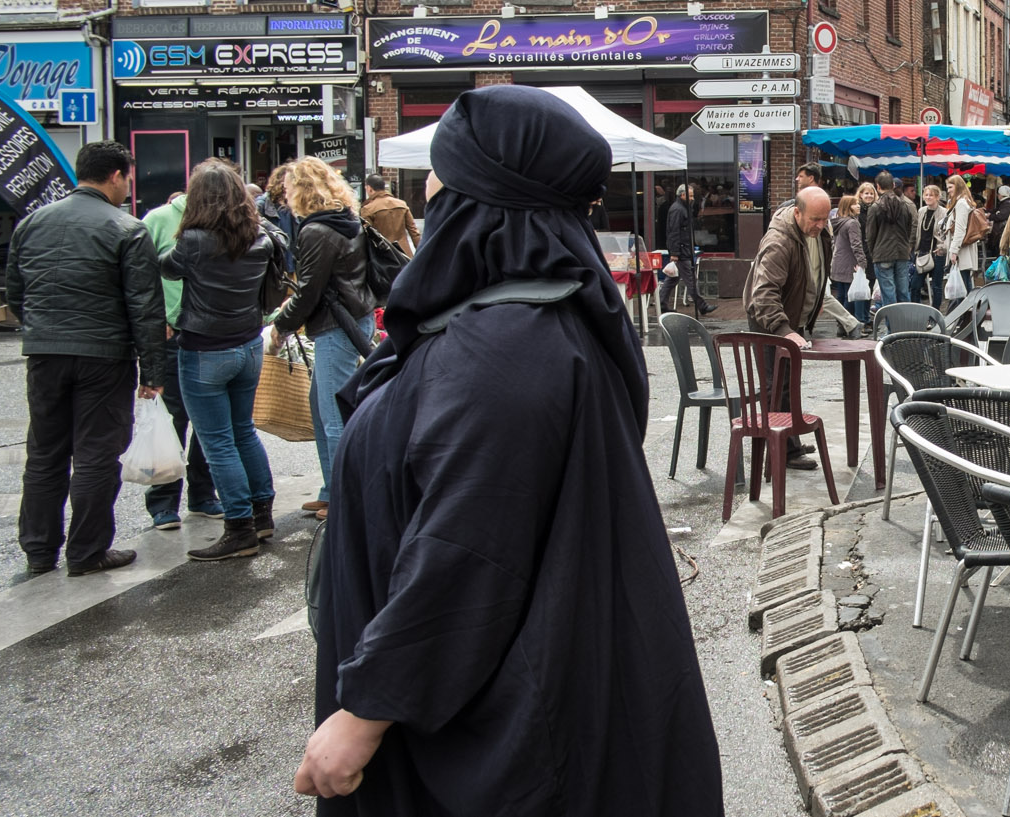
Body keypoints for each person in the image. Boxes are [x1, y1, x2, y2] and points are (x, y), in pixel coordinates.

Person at [299, 86, 722, 814]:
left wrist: (363, 713)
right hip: (525, 708)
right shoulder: (528, 318)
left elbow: (468, 553)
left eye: (443, 181)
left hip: (501, 742)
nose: (428, 194)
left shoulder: (507, 349)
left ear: (482, 204)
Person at [4, 141, 168, 577]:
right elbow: (145, 308)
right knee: (96, 454)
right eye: (128, 179)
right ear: (116, 176)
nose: (128, 188)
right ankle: (87, 551)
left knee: (44, 452)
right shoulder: (127, 229)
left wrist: (43, 328)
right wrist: (153, 371)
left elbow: (17, 294)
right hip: (104, 355)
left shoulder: (32, 223)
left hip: (44, 351)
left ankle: (38, 550)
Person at [160, 160, 279, 560]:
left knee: (219, 442)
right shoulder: (259, 237)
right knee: (243, 431)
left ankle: (239, 527)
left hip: (204, 350)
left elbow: (167, 267)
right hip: (248, 346)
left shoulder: (193, 240)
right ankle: (263, 514)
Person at [272, 157, 376, 521]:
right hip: (352, 319)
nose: (284, 194)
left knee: (332, 416)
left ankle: (344, 498)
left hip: (337, 326)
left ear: (302, 190)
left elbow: (308, 292)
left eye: (287, 188)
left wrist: (280, 327)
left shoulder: (316, 230)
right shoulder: (347, 219)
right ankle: (332, 488)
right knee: (323, 409)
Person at [140, 191, 220, 531]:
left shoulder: (221, 221)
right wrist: (154, 319)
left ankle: (202, 494)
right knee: (172, 418)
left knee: (209, 420)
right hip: (172, 334)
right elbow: (138, 276)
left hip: (210, 334)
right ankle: (163, 500)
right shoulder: (156, 221)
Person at [745, 184, 833, 469]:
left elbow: (815, 270)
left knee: (788, 384)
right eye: (815, 220)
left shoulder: (820, 230)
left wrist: (816, 301)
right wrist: (784, 330)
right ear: (797, 213)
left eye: (825, 218)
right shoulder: (778, 241)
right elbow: (764, 295)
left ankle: (789, 439)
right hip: (769, 319)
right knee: (775, 385)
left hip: (791, 315)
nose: (820, 225)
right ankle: (782, 453)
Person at [661, 183, 716, 317]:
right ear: (682, 195)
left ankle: (662, 304)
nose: (692, 198)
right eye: (690, 196)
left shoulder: (684, 208)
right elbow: (674, 232)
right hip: (681, 251)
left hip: (684, 249)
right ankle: (702, 306)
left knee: (672, 279)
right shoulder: (677, 210)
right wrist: (674, 253)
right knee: (690, 279)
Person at [864, 172, 915, 309]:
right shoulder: (905, 205)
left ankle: (892, 329)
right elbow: (909, 229)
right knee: (903, 292)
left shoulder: (875, 207)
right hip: (902, 252)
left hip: (882, 253)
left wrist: (874, 253)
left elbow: (870, 235)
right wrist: (907, 246)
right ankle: (906, 326)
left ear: (878, 186)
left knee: (888, 294)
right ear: (893, 185)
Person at [939, 175, 982, 306]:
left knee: (962, 285)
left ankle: (964, 316)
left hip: (961, 249)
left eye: (951, 187)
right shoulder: (960, 202)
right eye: (947, 188)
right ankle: (968, 316)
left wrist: (954, 251)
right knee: (963, 284)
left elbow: (960, 229)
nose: (949, 190)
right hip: (960, 248)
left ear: (958, 187)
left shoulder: (961, 203)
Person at [829, 194, 871, 326]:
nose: (858, 206)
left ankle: (841, 324)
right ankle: (849, 324)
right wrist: (862, 263)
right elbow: (856, 245)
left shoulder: (838, 222)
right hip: (850, 264)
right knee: (850, 296)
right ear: (848, 207)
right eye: (855, 204)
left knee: (841, 296)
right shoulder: (852, 223)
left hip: (838, 262)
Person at [360, 175, 419, 257]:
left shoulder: (368, 209)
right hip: (405, 254)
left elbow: (366, 237)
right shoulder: (402, 204)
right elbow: (414, 232)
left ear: (369, 188)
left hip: (383, 256)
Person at [913, 184, 945, 305]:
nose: (928, 197)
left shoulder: (943, 212)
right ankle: (916, 312)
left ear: (937, 197)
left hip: (937, 253)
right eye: (926, 195)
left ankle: (934, 314)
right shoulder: (921, 211)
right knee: (915, 285)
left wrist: (942, 247)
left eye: (931, 195)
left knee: (936, 286)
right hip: (922, 252)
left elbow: (945, 233)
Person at [986, 184, 1010, 272]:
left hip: (1002, 232)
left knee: (1002, 254)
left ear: (1001, 195)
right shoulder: (1004, 204)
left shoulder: (1007, 204)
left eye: (998, 194)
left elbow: (1000, 216)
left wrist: (990, 216)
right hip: (1000, 232)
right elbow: (996, 212)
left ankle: (1002, 272)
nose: (997, 196)